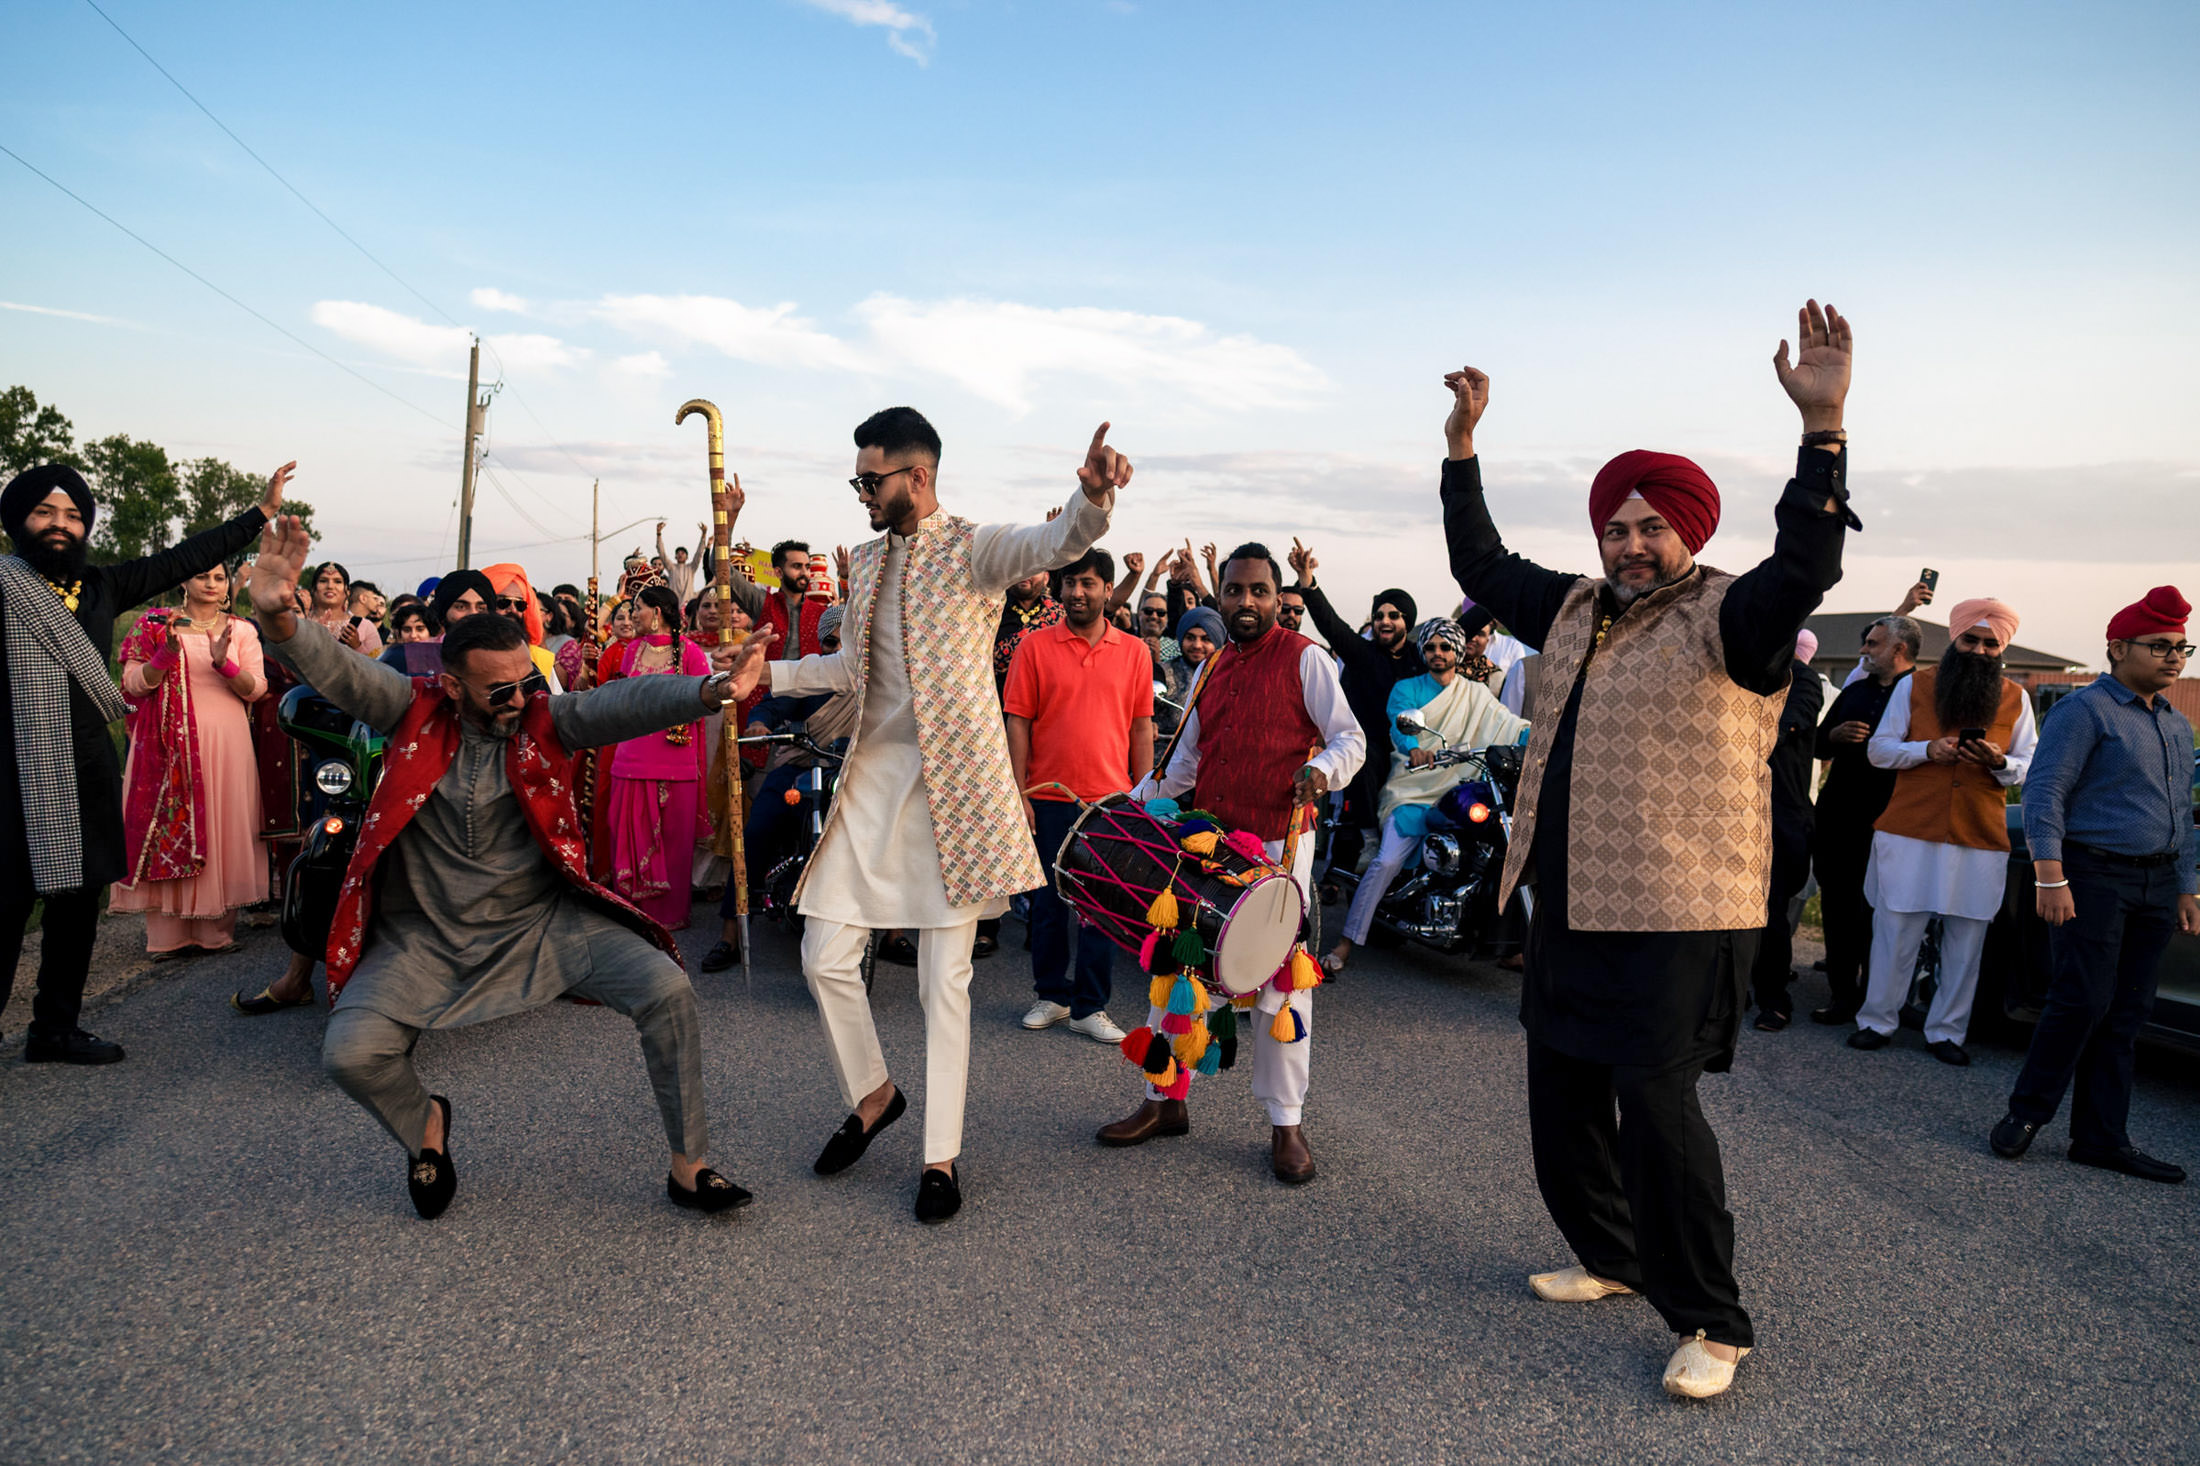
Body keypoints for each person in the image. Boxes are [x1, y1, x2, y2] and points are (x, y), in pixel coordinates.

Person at [1441, 300, 1857, 1399]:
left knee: (1658, 1117)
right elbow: (1480, 562)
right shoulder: (1574, 605)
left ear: (1689, 533)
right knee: (1559, 1098)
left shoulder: (1732, 616)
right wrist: (1463, 448)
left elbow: (1807, 560)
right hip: (1569, 900)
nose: (1629, 545)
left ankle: (1714, 1320)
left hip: (1682, 910)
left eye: (1648, 528)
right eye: (1614, 527)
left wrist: (1823, 429)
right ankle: (1611, 1256)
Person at [246, 515, 764, 1218]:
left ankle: (689, 1163)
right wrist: (279, 619)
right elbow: (339, 670)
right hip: (422, 943)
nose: (520, 700)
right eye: (499, 690)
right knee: (350, 1054)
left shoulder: (545, 716)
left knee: (667, 992)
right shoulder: (408, 708)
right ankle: (425, 1125)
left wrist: (708, 692)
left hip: (544, 928)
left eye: (526, 681)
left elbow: (616, 703)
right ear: (451, 687)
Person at [751, 407, 1126, 1224]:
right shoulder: (859, 560)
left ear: (917, 477)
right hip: (874, 783)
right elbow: (850, 665)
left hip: (959, 792)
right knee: (822, 955)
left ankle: (941, 1158)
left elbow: (1050, 543)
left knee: (942, 985)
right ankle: (875, 1093)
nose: (861, 493)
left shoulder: (973, 546)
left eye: (870, 480)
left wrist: (1089, 501)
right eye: (857, 480)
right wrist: (770, 673)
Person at [1, 460, 289, 1063]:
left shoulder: (103, 586)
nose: (60, 525)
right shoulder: (6, 583)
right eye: (45, 512)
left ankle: (55, 1028)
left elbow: (185, 557)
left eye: (74, 516)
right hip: (12, 764)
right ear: (17, 520)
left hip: (84, 759)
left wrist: (258, 514)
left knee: (79, 899)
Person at [1100, 542, 1364, 1183]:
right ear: (1219, 595)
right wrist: (1123, 808)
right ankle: (1163, 1100)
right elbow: (1183, 762)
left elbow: (1349, 739)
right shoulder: (1210, 666)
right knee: (1177, 969)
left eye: (1259, 591)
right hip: (1205, 847)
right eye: (1235, 590)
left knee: (1280, 991)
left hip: (1278, 851)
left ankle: (1286, 1123)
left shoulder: (1308, 661)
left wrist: (1321, 771)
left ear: (1278, 597)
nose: (1246, 602)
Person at [1992, 588, 2198, 1182]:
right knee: (2082, 1000)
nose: (2173, 657)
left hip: (2157, 883)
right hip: (2092, 876)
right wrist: (2049, 877)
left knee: (2129, 1012)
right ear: (2117, 648)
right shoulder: (2085, 712)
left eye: (2180, 646)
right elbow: (2045, 793)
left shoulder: (2177, 726)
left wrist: (2184, 887)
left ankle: (2102, 1138)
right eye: (2158, 646)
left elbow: (2180, 813)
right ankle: (2027, 1114)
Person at [1851, 597, 2036, 1065]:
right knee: (1896, 929)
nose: (1978, 650)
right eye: (1969, 640)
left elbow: (2030, 766)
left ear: (2002, 647)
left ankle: (1946, 1032)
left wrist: (1999, 762)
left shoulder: (2017, 697)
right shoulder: (1914, 686)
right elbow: (1880, 751)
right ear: (1954, 639)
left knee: (1967, 938)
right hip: (1910, 827)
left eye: (1990, 644)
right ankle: (1877, 1021)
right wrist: (1927, 750)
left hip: (1978, 834)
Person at [1003, 547, 1155, 1045]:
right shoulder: (1034, 646)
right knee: (1047, 903)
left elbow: (1141, 726)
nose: (1077, 593)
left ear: (1108, 590)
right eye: (1070, 584)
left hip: (1110, 804)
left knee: (1102, 908)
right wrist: (1021, 790)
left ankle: (1091, 1006)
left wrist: (1144, 792)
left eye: (1088, 584)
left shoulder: (1134, 651)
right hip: (1047, 796)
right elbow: (1018, 721)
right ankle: (1051, 995)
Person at [1327, 615, 1528, 974]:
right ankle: (1345, 941)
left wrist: (1535, 738)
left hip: (1459, 784)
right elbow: (1400, 724)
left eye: (1445, 646)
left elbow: (1506, 722)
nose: (1438, 653)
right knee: (1387, 861)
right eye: (1432, 647)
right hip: (1412, 788)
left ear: (1457, 651)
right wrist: (1415, 747)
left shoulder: (1476, 692)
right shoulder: (1407, 688)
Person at [110, 565, 270, 959]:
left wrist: (224, 664)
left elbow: (258, 689)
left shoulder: (241, 630)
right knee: (169, 824)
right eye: (202, 576)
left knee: (220, 823)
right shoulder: (154, 625)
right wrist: (164, 655)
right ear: (183, 579)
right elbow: (131, 685)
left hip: (225, 743)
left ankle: (214, 931)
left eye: (219, 577)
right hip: (167, 746)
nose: (211, 584)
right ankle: (166, 935)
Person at [700, 605, 851, 974]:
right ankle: (730, 932)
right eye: (829, 643)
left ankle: (892, 932)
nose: (835, 650)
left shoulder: (871, 675)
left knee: (885, 839)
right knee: (755, 832)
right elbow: (773, 703)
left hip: (854, 773)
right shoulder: (814, 671)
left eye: (844, 643)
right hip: (801, 768)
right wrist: (757, 724)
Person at [1286, 539, 1423, 885]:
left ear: (1408, 620)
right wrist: (1307, 581)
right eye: (1379, 616)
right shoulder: (1363, 654)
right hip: (1368, 753)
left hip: (1414, 751)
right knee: (1365, 755)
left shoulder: (1420, 660)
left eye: (1393, 615)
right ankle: (1369, 838)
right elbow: (1331, 624)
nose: (1384, 621)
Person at [1807, 614, 1918, 1024]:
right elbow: (1817, 744)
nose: (1864, 651)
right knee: (1839, 908)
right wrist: (1833, 738)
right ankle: (1842, 997)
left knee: (1886, 914)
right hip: (1840, 819)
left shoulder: (1923, 695)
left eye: (1872, 644)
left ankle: (1882, 1002)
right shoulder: (1854, 691)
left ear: (1898, 649)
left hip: (1894, 820)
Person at [599, 583, 713, 931]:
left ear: (657, 613)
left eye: (638, 609)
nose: (633, 615)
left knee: (673, 839)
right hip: (630, 757)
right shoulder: (631, 650)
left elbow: (703, 701)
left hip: (674, 760)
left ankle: (669, 915)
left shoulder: (690, 652)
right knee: (626, 831)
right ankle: (630, 911)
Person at [1747, 628, 1825, 1029]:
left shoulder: (1802, 677)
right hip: (1736, 806)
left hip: (1779, 809)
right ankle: (1730, 991)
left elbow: (1790, 724)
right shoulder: (1745, 671)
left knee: (1770, 910)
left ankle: (1774, 1000)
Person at [482, 562, 564, 692]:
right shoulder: (462, 655)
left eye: (520, 605)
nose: (513, 610)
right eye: (503, 602)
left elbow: (555, 707)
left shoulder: (540, 659)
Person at [762, 539, 828, 657]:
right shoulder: (762, 605)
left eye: (807, 567)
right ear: (779, 572)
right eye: (797, 566)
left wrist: (844, 583)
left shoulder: (822, 614)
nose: (804, 573)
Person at [304, 560, 381, 655]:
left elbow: (378, 666)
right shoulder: (300, 622)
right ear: (313, 589)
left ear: (347, 591)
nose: (330, 586)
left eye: (337, 582)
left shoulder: (364, 627)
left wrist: (357, 646)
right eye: (323, 581)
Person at [656, 520, 710, 603]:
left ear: (687, 557)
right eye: (678, 553)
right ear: (675, 556)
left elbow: (699, 554)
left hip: (688, 604)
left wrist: (704, 535)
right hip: (673, 604)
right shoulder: (671, 567)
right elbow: (661, 552)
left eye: (683, 553)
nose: (680, 555)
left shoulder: (691, 568)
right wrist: (658, 534)